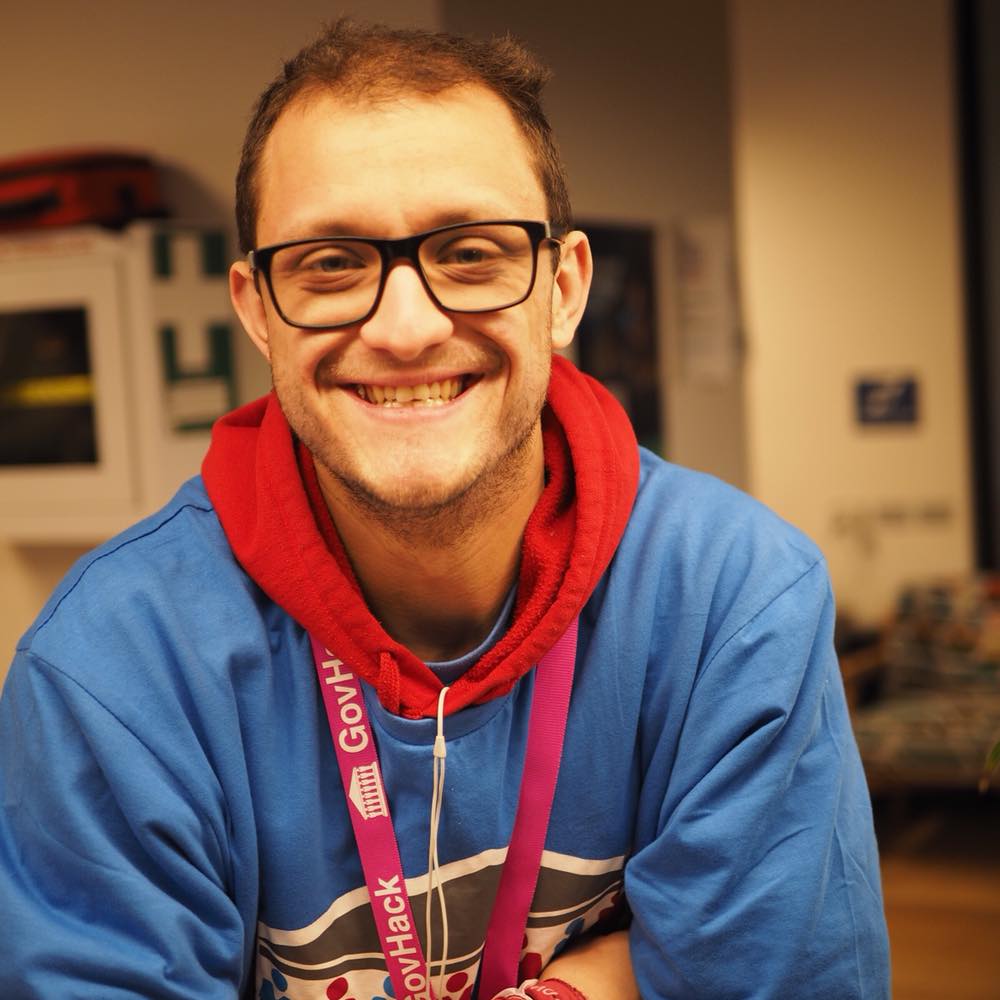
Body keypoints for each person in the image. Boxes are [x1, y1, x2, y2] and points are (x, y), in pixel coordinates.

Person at [0, 19, 890, 1000]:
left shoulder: (734, 601)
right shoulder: (114, 673)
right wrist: (611, 980)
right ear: (256, 308)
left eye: (470, 253)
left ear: (562, 288)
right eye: (331, 263)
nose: (406, 326)